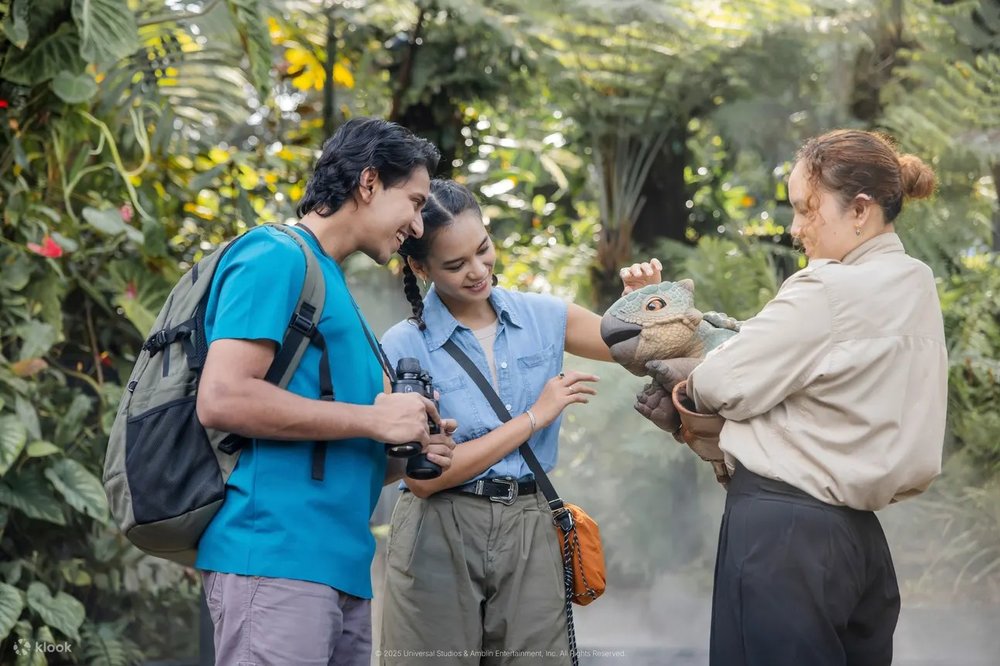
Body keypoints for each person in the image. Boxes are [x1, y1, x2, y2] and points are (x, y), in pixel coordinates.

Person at [650, 129, 947, 666]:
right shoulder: (916, 284)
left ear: (859, 211)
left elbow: (722, 383)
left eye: (806, 210)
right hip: (862, 547)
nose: (794, 228)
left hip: (785, 538)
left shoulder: (827, 289)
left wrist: (694, 374)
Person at [194, 118, 457, 666]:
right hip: (275, 559)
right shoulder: (275, 255)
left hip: (341, 572)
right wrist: (373, 421)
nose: (416, 223)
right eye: (412, 201)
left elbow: (346, 448)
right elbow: (223, 399)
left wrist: (405, 446)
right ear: (368, 183)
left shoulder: (334, 288)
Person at [377, 178, 661, 665]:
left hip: (530, 523)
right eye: (455, 264)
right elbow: (424, 481)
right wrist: (534, 417)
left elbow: (639, 348)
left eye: (483, 250)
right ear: (419, 267)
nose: (477, 271)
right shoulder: (404, 345)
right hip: (439, 531)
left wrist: (645, 302)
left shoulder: (544, 316)